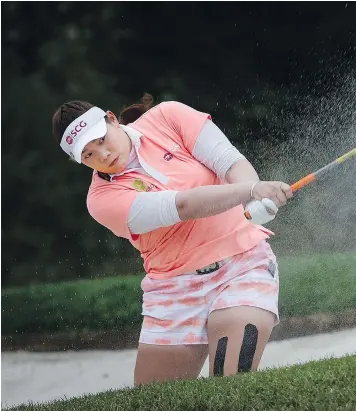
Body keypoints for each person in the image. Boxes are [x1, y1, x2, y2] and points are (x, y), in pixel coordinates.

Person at [51, 93, 293, 385]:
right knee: (154, 401)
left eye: (101, 139)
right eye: (88, 154)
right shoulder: (102, 200)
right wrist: (251, 191)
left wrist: (254, 194)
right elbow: (182, 206)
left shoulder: (168, 116)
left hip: (242, 267)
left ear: (112, 119)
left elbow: (229, 162)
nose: (102, 155)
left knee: (230, 384)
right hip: (173, 291)